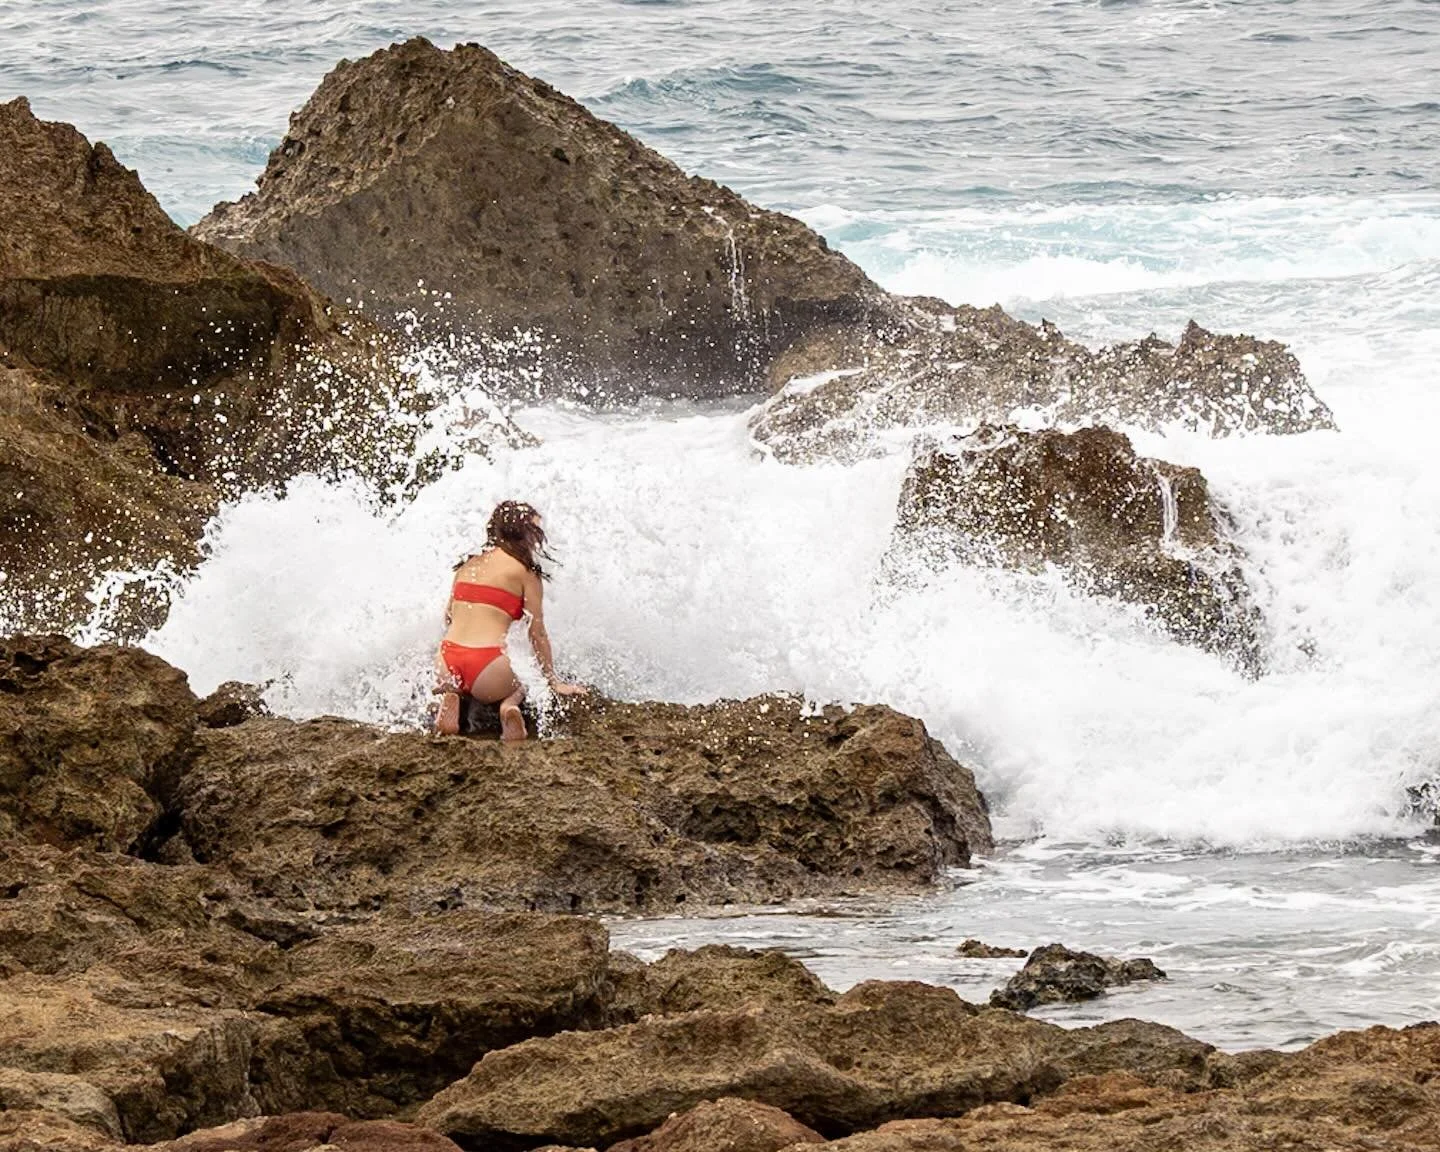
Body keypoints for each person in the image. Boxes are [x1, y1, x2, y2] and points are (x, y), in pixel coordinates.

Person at [434, 501, 587, 740]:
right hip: (489, 667)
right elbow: (537, 634)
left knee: (459, 680)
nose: (538, 540)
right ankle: (509, 706)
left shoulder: (467, 565)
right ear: (524, 534)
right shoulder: (525, 573)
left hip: (447, 660)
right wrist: (553, 680)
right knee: (526, 676)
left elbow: (448, 618)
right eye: (536, 531)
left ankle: (453, 695)